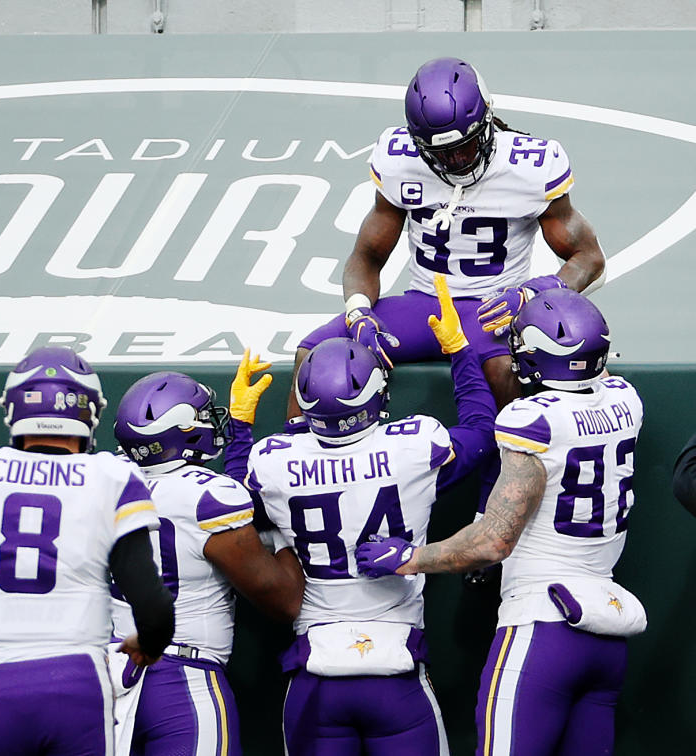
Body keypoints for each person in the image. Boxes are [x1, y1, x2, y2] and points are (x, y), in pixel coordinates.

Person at [357, 288, 646, 756]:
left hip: (542, 626)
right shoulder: (625, 400)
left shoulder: (532, 420)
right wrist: (537, 300)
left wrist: (412, 558)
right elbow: (588, 362)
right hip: (607, 633)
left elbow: (492, 542)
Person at [248, 275, 497, 755]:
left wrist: (240, 430)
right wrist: (460, 351)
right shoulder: (412, 446)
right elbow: (481, 430)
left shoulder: (271, 461)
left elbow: (250, 509)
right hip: (396, 667)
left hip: (313, 673)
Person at [0, 346, 176, 756]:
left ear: (13, 409)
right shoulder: (110, 477)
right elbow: (152, 604)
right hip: (76, 679)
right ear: (90, 411)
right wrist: (149, 642)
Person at [289, 56, 606, 417]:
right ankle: (291, 465)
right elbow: (367, 256)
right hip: (423, 304)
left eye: (465, 146)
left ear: (487, 122)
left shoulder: (529, 167)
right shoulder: (399, 160)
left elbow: (589, 258)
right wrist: (358, 312)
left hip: (493, 308)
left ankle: (509, 469)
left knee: (503, 370)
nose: (455, 161)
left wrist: (532, 294)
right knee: (313, 354)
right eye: (440, 152)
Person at [110, 371, 305, 756]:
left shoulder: (102, 480)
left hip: (107, 673)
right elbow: (284, 600)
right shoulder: (208, 497)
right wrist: (283, 536)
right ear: (181, 430)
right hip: (183, 677)